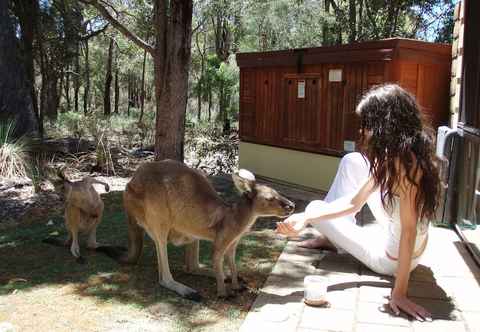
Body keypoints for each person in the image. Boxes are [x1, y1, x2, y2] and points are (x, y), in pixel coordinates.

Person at [276, 84, 440, 322]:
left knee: (314, 207)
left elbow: (408, 230)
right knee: (353, 161)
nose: (363, 131)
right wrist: (306, 219)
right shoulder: (401, 153)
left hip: (392, 259)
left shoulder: (407, 166)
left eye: (367, 124)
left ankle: (332, 236)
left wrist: (400, 293)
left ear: (386, 124)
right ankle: (331, 238)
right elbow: (354, 203)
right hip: (400, 240)